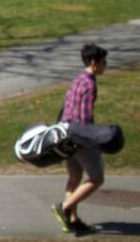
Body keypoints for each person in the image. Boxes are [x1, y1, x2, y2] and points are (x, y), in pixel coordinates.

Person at [53, 43, 108, 235]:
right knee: (97, 177)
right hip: (79, 138)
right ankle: (65, 206)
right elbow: (85, 119)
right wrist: (95, 140)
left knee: (75, 177)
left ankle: (73, 221)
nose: (105, 65)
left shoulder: (77, 80)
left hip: (65, 136)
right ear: (94, 63)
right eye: (103, 62)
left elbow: (66, 109)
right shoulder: (89, 84)